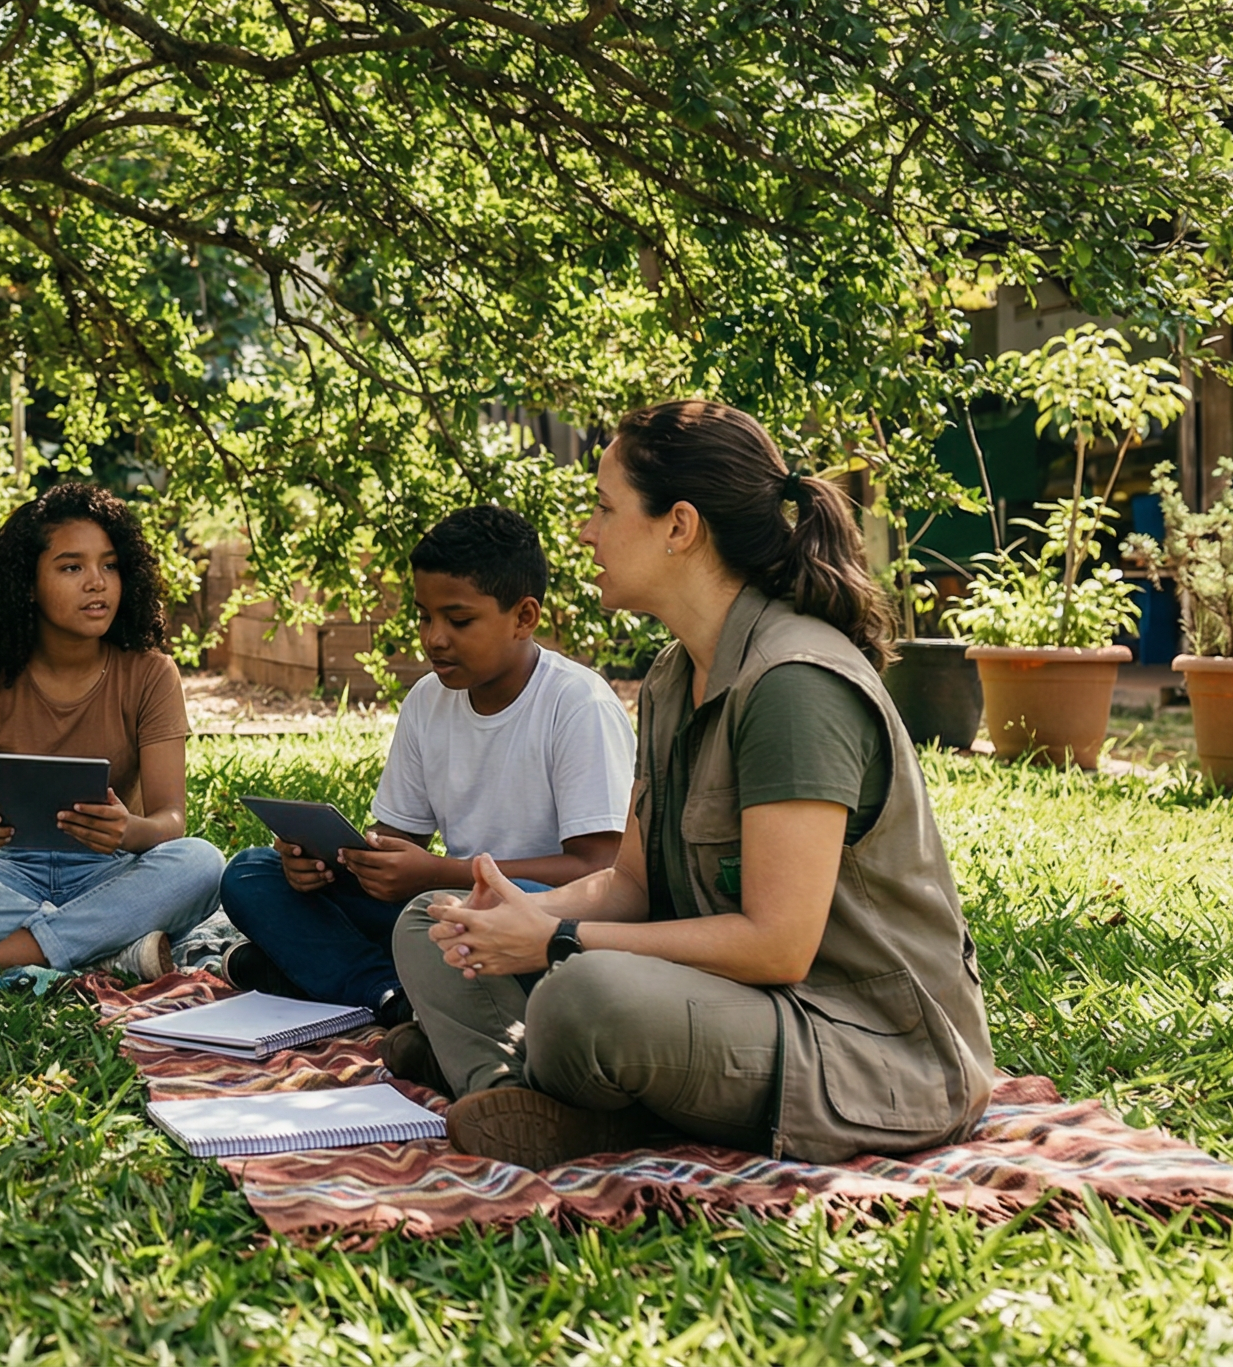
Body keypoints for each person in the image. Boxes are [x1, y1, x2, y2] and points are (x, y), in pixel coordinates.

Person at [389, 401, 994, 1169]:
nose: (586, 532)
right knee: (430, 923)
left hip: (862, 1045)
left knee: (585, 996)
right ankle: (521, 1095)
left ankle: (531, 1080)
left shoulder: (793, 685)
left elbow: (779, 946)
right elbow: (629, 885)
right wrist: (507, 914)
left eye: (605, 509)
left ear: (679, 526)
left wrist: (559, 936)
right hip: (730, 1006)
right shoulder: (677, 674)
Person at [219, 506, 631, 1025]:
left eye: (458, 620)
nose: (434, 637)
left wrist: (444, 873)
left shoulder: (577, 705)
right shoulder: (427, 700)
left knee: (450, 914)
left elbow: (601, 871)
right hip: (437, 909)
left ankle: (328, 976)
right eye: (423, 616)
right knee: (251, 873)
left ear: (524, 618)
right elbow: (395, 841)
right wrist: (326, 861)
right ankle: (390, 994)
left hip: (531, 915)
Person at [0, 483, 223, 979]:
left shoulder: (151, 672)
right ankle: (104, 948)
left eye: (110, 565)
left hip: (109, 872)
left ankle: (1, 956)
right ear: (28, 584)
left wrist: (129, 830)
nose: (97, 582)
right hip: (1, 875)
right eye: (72, 567)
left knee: (201, 863)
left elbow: (170, 821)